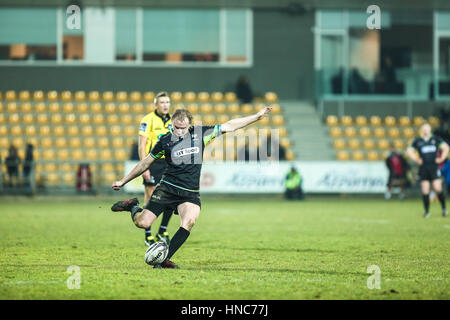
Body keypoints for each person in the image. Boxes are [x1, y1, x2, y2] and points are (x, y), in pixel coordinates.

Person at [110, 106, 272, 268]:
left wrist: (256, 117)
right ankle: (133, 207)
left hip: (190, 193)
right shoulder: (165, 141)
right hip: (167, 189)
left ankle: (164, 260)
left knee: (189, 221)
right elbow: (146, 162)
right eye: (176, 128)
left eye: (183, 128)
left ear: (190, 125)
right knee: (143, 223)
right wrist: (123, 181)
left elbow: (230, 125)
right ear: (172, 124)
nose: (179, 131)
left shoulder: (201, 134)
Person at [138, 91, 174, 246]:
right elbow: (142, 145)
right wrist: (144, 167)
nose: (165, 105)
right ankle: (148, 235)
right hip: (154, 163)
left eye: (167, 102)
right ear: (156, 104)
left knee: (172, 196)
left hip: (171, 163)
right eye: (162, 102)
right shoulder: (148, 120)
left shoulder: (174, 121)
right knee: (151, 197)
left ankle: (162, 231)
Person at [407, 123, 449, 218]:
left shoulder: (436, 139)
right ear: (422, 130)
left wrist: (441, 158)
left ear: (430, 129)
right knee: (425, 191)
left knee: (438, 188)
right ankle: (427, 212)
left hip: (434, 167)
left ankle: (444, 209)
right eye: (424, 129)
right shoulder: (418, 141)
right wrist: (417, 159)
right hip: (423, 168)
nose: (425, 130)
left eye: (427, 129)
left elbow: (446, 148)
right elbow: (409, 150)